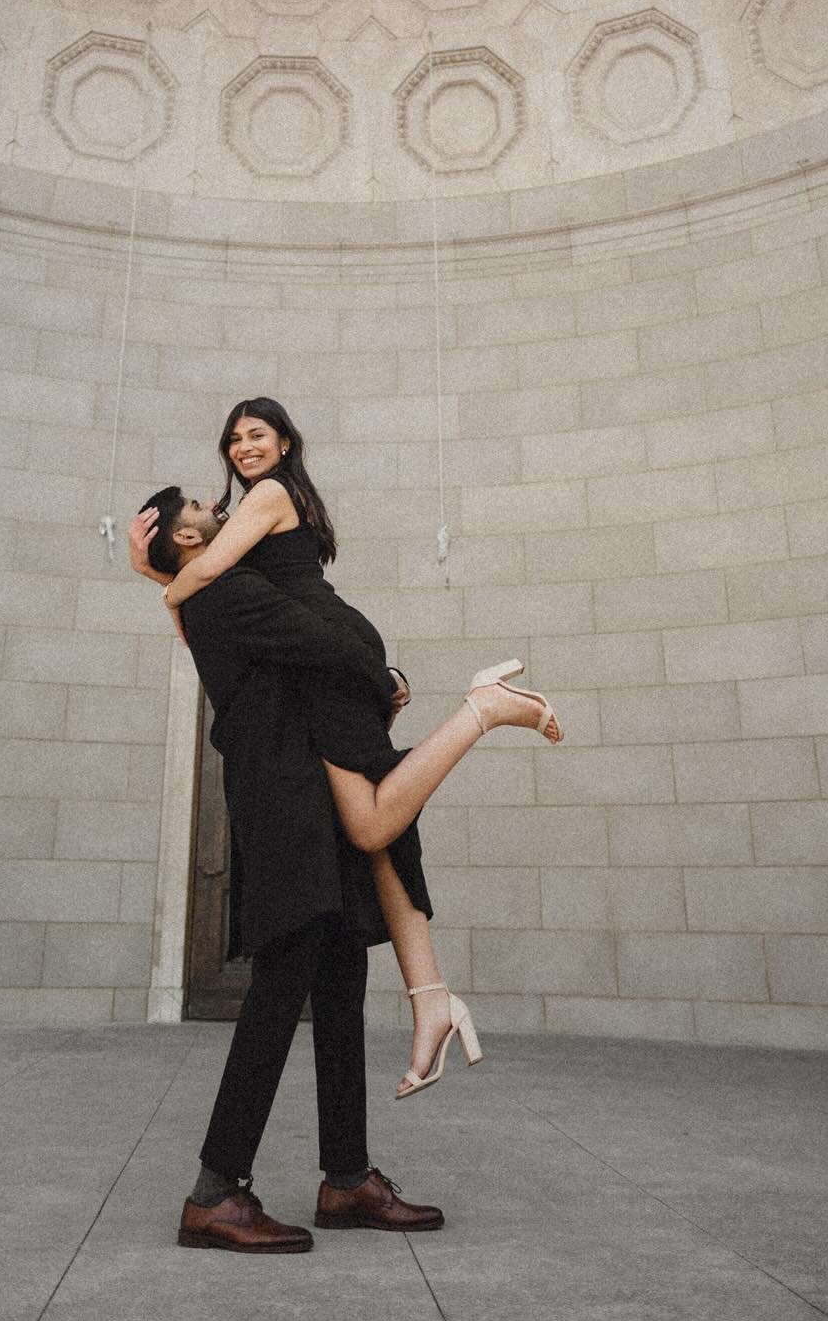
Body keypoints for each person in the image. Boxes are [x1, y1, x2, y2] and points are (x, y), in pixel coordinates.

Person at [136, 399, 563, 1102]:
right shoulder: (265, 502)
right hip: (324, 663)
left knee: (371, 822)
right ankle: (431, 998)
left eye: (257, 435)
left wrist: (156, 581)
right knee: (372, 836)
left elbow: (202, 577)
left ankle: (480, 710)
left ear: (284, 444)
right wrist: (166, 577)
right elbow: (207, 599)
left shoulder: (268, 495)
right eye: (234, 438)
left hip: (328, 658)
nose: (243, 448)